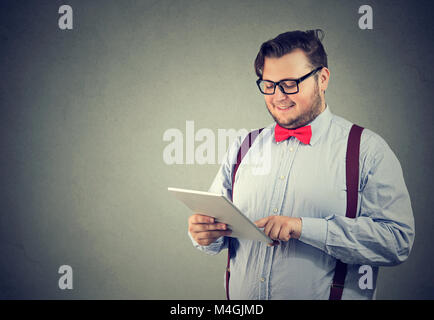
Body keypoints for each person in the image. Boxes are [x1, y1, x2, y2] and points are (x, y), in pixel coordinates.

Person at [187, 29, 415, 299]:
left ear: (323, 79)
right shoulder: (242, 146)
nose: (279, 96)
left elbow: (397, 241)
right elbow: (217, 230)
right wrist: (203, 234)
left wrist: (305, 228)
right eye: (269, 85)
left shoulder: (367, 150)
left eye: (290, 83)